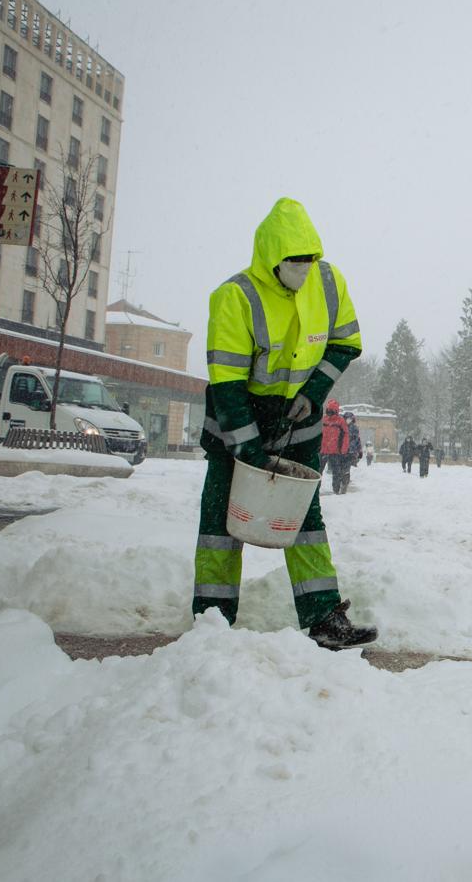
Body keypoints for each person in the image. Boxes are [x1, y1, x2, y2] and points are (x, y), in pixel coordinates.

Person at [195, 197, 377, 650]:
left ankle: (323, 618)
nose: (302, 269)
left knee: (306, 519)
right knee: (221, 521)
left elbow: (346, 343)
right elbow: (227, 385)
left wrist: (313, 393)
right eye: (293, 262)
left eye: (308, 261)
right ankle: (212, 622)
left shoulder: (328, 282)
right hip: (237, 421)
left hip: (298, 423)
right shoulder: (235, 296)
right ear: (272, 260)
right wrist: (248, 448)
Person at [321, 399, 351, 495]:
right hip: (324, 450)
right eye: (328, 409)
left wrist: (343, 449)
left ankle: (336, 490)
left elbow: (346, 435)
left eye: (330, 410)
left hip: (334, 451)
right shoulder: (324, 420)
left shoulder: (340, 421)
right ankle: (315, 489)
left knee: (336, 472)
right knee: (319, 471)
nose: (329, 411)